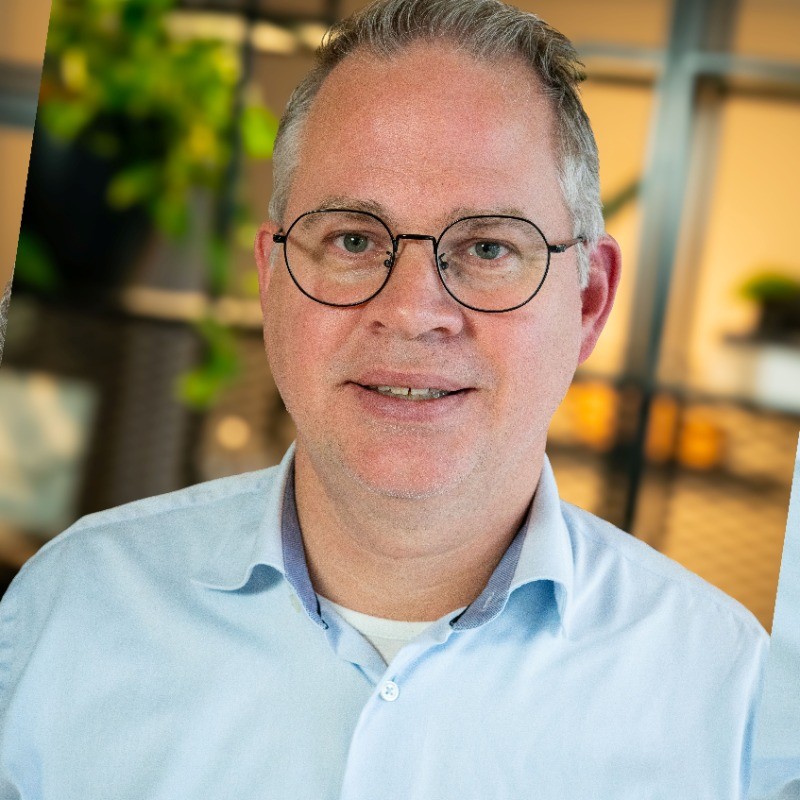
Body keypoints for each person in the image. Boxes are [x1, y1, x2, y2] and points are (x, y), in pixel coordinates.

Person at [0, 1, 767, 797]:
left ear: (589, 301)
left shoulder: (730, 698)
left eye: (488, 247)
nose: (410, 311)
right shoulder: (65, 614)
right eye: (354, 240)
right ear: (271, 278)